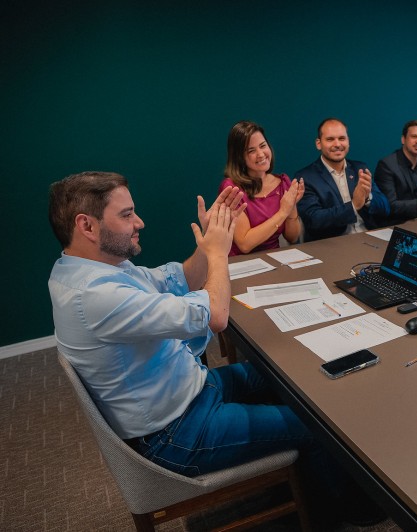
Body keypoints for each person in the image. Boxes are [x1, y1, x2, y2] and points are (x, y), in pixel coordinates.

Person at [47, 172, 382, 526]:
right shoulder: (94, 296)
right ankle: (340, 514)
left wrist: (208, 245)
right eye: (127, 214)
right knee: (315, 426)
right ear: (86, 225)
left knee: (287, 372)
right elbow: (215, 314)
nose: (139, 222)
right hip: (176, 434)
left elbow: (180, 279)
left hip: (190, 391)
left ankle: (315, 478)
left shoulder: (96, 269)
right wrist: (219, 253)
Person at [295, 118, 390, 241]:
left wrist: (367, 198)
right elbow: (314, 220)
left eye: (342, 138)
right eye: (330, 139)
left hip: (370, 238)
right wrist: (354, 205)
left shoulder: (360, 169)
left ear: (348, 141)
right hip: (334, 244)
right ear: (318, 144)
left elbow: (386, 208)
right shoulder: (305, 177)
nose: (337, 144)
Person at [220, 120, 303, 256]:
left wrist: (292, 207)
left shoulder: (282, 182)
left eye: (263, 146)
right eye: (251, 151)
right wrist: (282, 212)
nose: (261, 154)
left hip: (276, 260)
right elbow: (245, 244)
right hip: (241, 264)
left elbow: (292, 238)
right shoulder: (232, 188)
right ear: (239, 157)